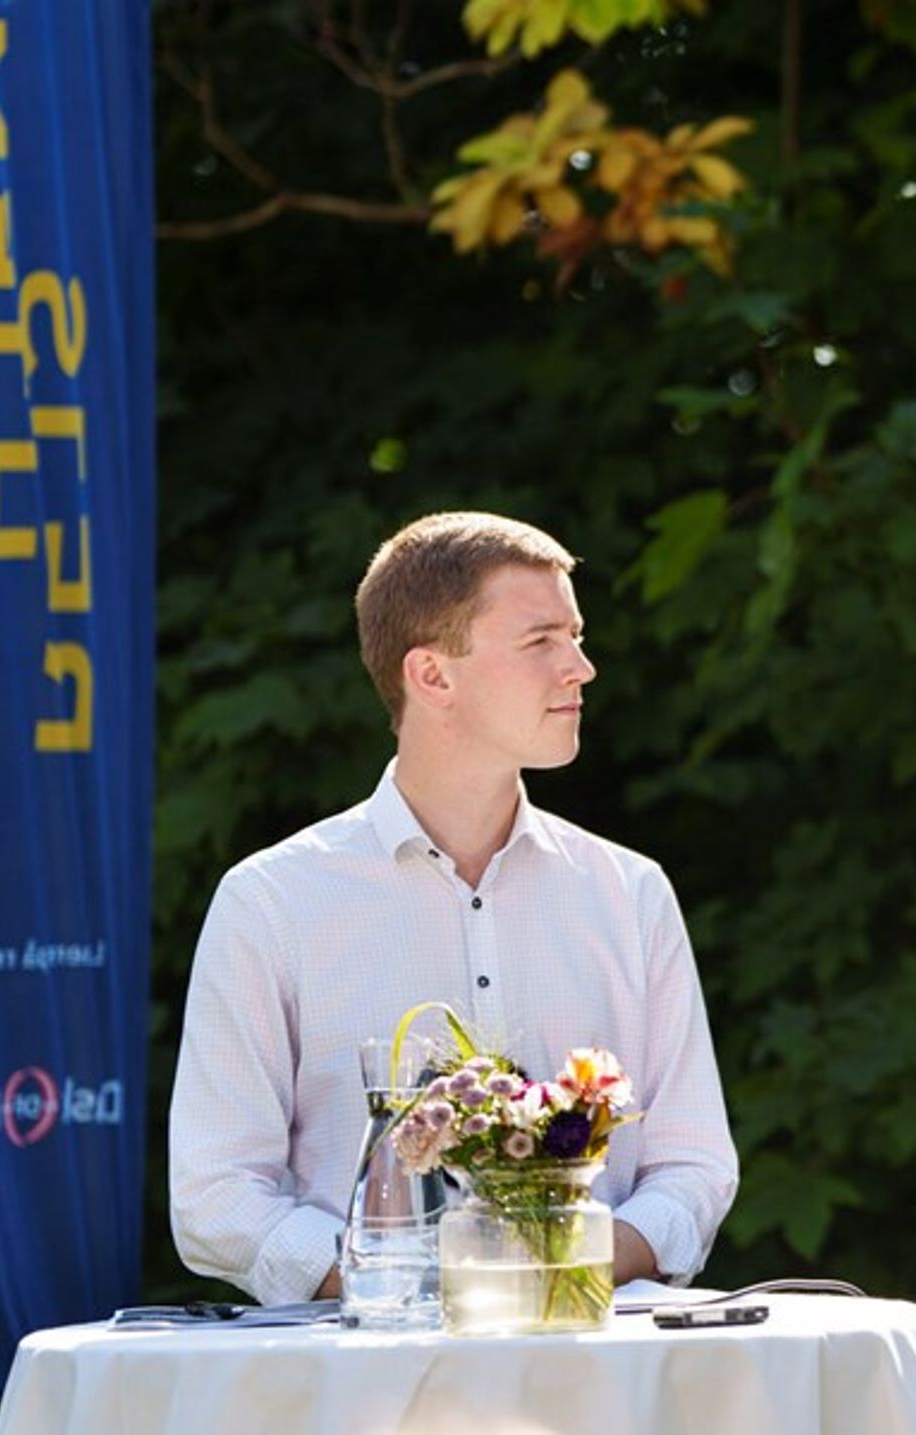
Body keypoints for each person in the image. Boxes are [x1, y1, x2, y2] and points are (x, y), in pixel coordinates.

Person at [170, 511, 737, 1304]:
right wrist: (410, 1288)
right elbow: (217, 1194)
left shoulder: (631, 894)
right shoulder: (271, 904)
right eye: (542, 641)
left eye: (575, 635)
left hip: (602, 1382)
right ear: (432, 675)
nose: (582, 667)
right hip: (360, 1395)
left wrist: (558, 1274)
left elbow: (693, 1165)